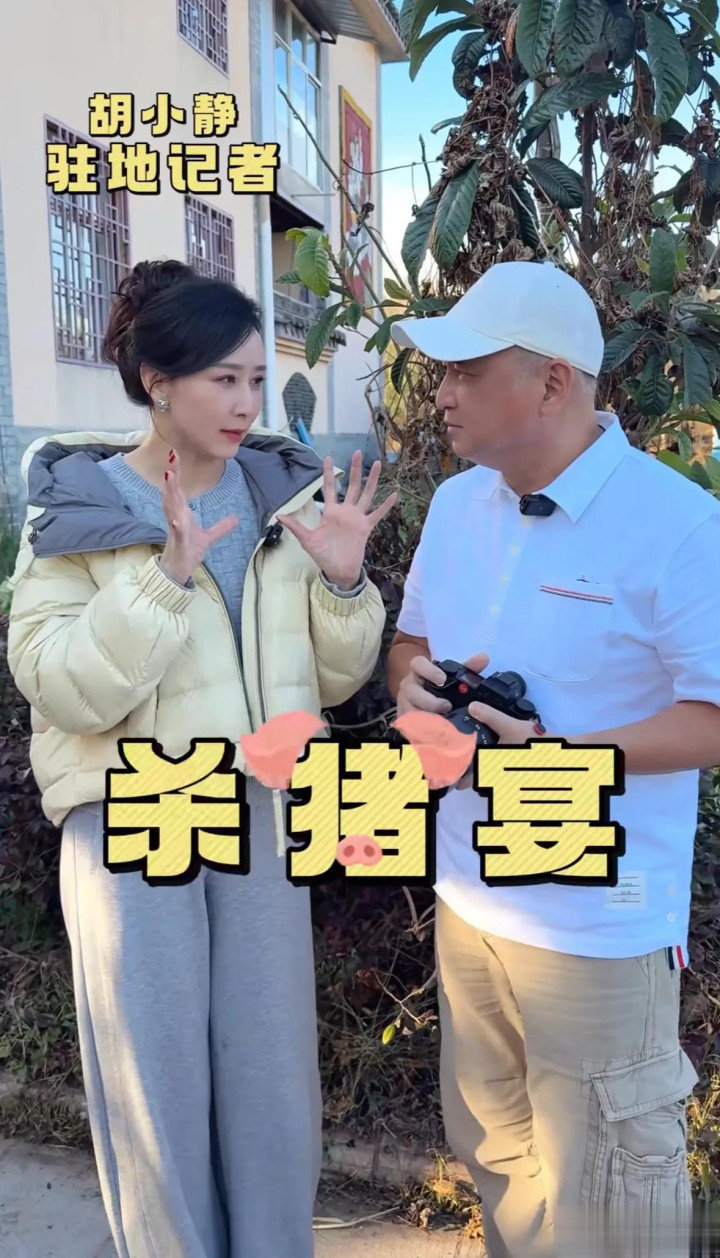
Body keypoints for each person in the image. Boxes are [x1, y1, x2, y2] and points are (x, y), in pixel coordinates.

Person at [7, 259, 392, 1258]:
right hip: (136, 812)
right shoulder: (77, 507)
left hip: (262, 808)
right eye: (224, 379)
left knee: (273, 1073)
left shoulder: (284, 495)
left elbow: (334, 679)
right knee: (156, 1077)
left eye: (257, 379)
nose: (246, 402)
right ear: (156, 382)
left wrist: (343, 585)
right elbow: (59, 684)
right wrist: (165, 579)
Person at [386, 260, 720, 1258]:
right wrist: (413, 685)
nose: (442, 393)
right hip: (469, 897)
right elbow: (411, 643)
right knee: (498, 1158)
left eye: (466, 370)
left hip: (598, 921)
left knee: (611, 1195)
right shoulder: (456, 505)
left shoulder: (678, 524)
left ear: (553, 383)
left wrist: (560, 755)